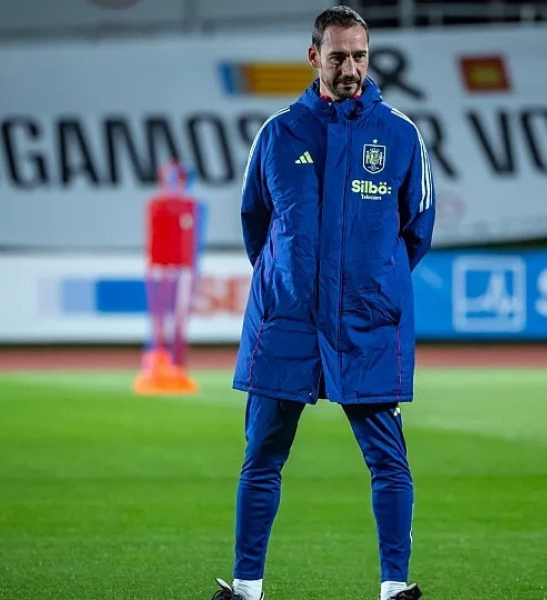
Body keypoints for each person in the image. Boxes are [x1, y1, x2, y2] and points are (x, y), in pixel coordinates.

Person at [212, 5, 435, 600]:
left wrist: (368, 284)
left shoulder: (400, 135)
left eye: (359, 56)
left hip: (366, 324)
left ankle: (394, 589)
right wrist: (294, 280)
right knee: (261, 457)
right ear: (314, 57)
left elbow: (417, 229)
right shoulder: (279, 133)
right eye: (338, 56)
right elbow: (255, 225)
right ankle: (245, 588)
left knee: (388, 461)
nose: (350, 68)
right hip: (286, 322)